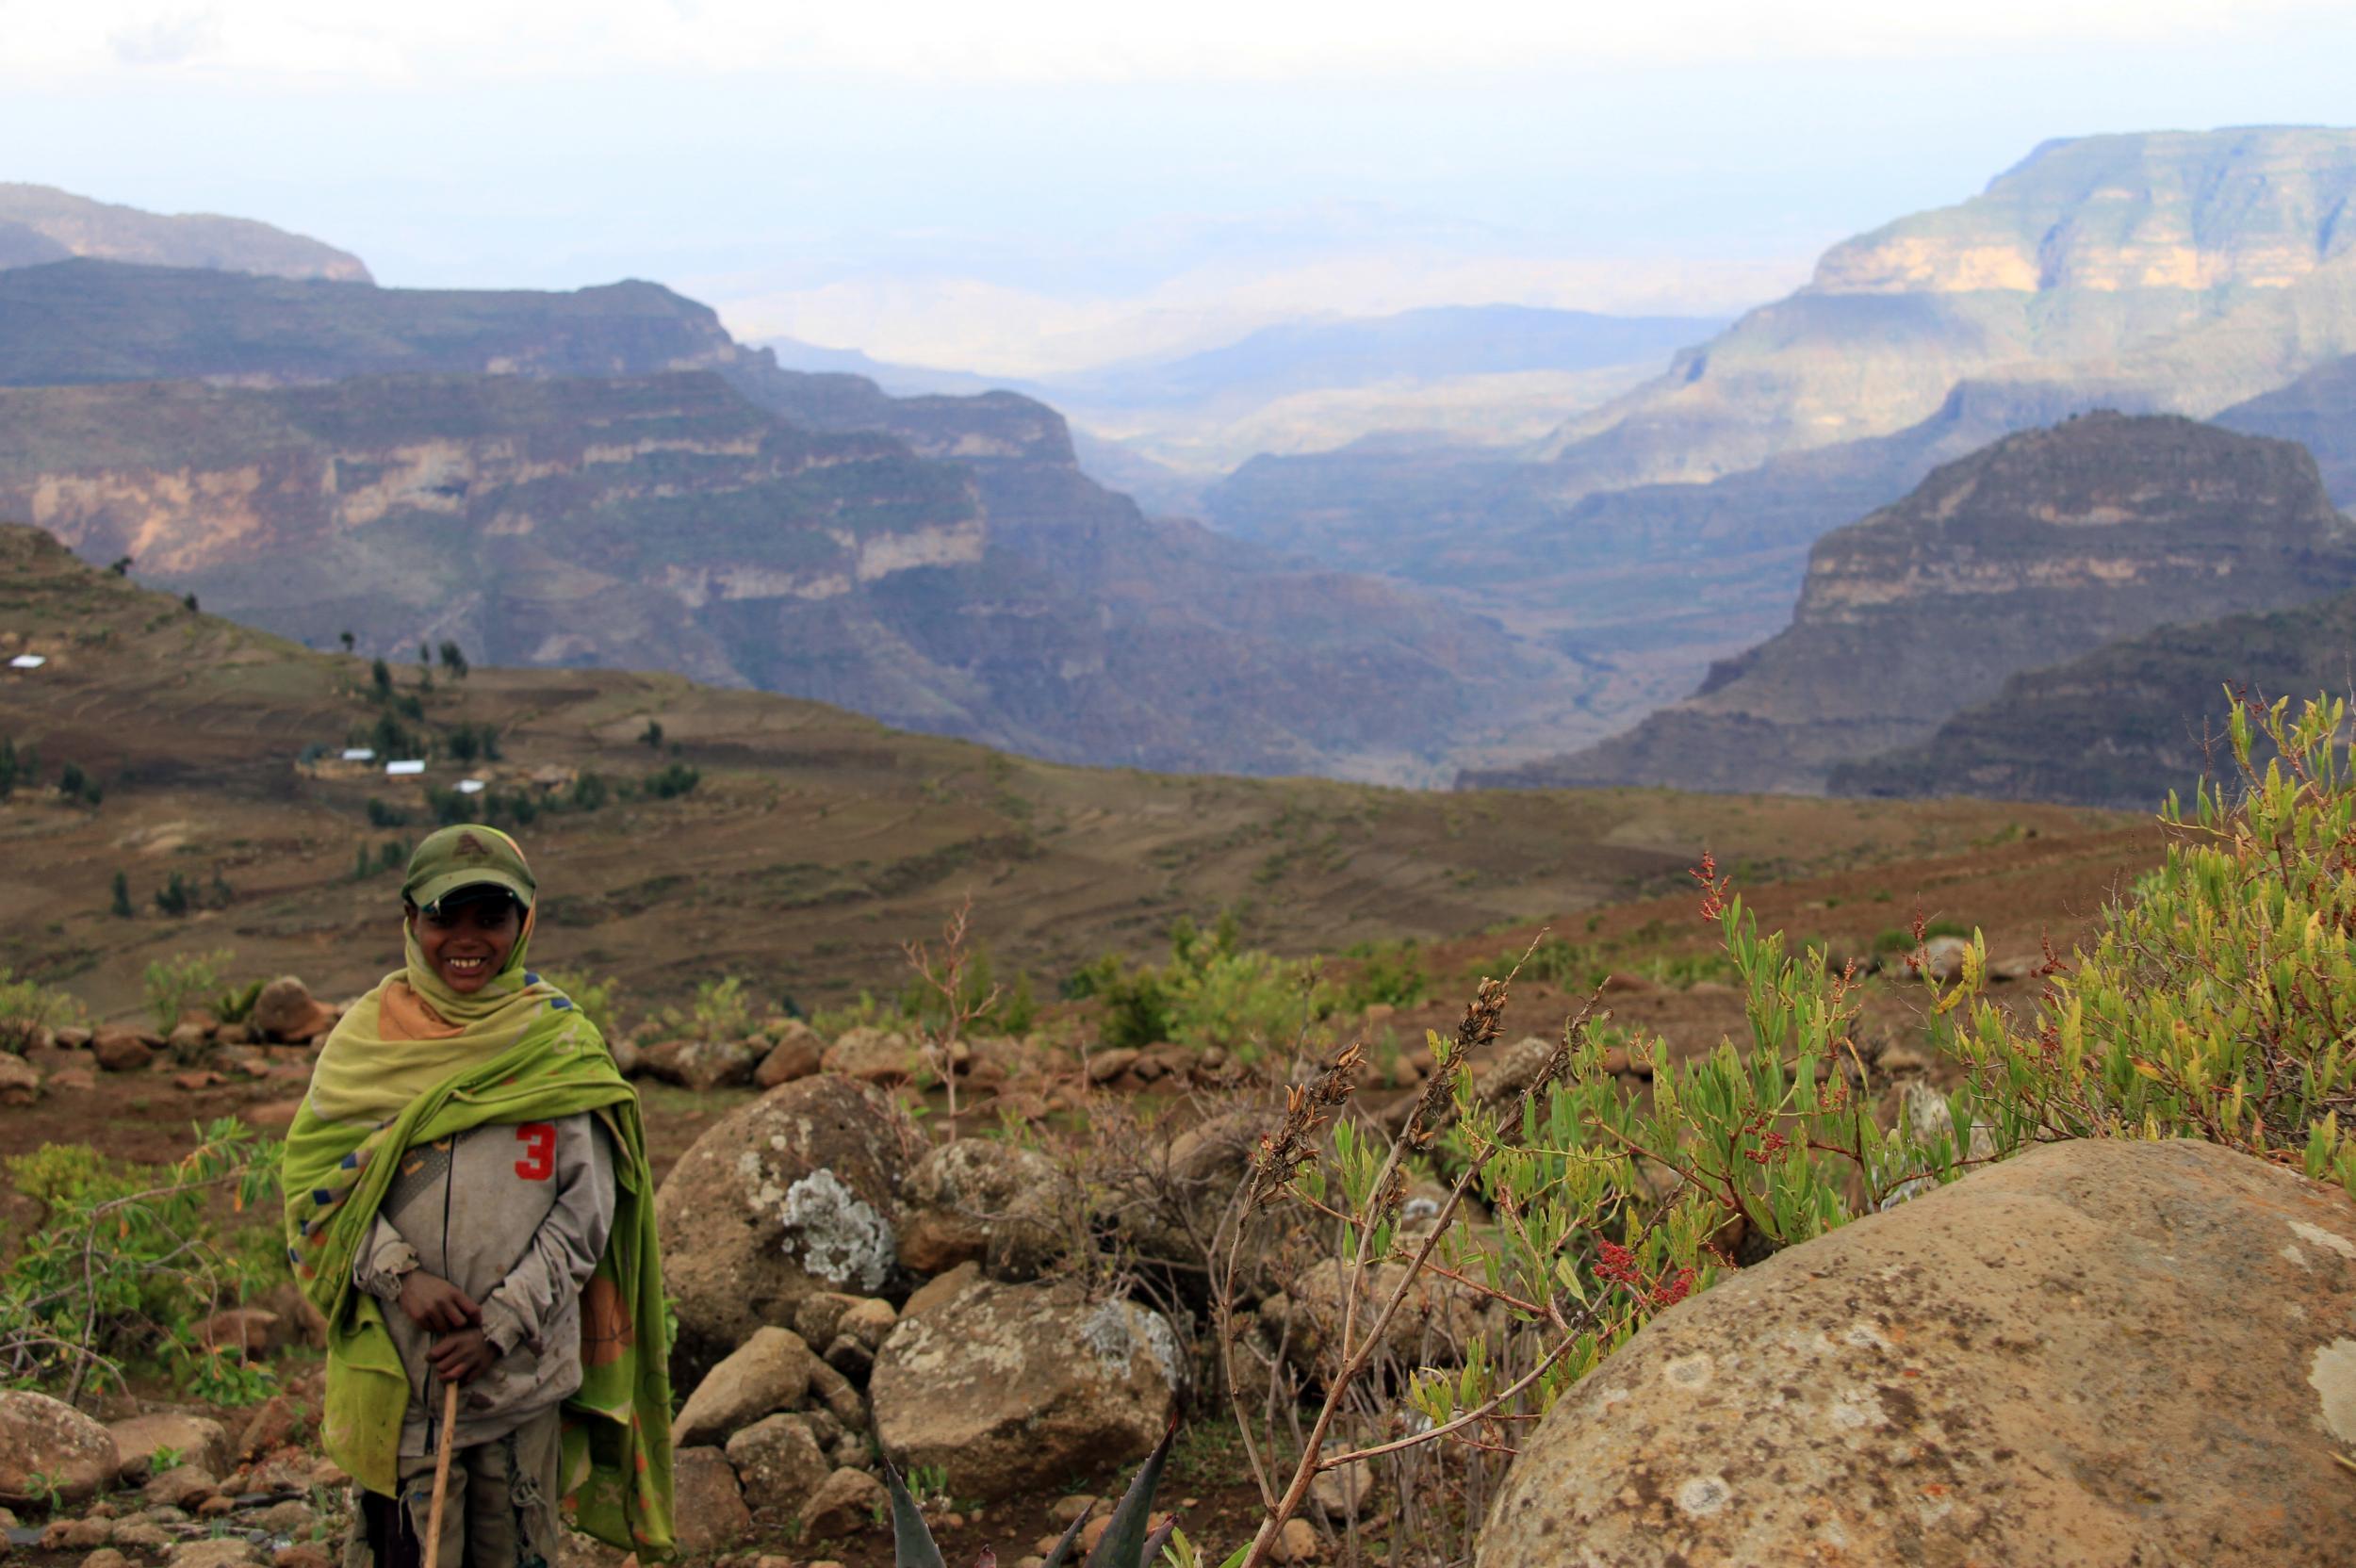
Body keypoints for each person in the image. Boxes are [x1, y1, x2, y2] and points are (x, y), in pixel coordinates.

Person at [283, 825, 674, 1568]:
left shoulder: (557, 1048)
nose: (467, 940)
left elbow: (586, 1215)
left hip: (518, 1382)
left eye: (490, 919)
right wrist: (402, 1276)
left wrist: (499, 1321)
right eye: (443, 917)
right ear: (409, 922)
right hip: (400, 1380)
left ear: (523, 924)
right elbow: (316, 1194)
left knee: (515, 1548)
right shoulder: (364, 1046)